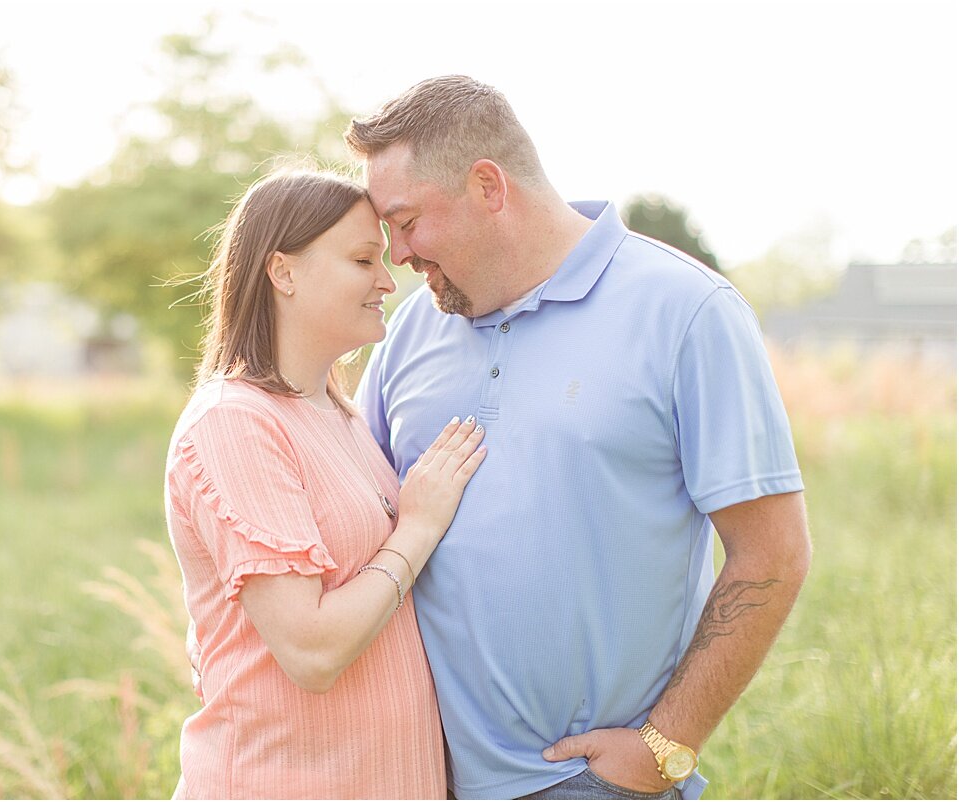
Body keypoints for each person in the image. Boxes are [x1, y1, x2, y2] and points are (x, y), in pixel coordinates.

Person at [345, 76, 812, 801]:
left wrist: (667, 744)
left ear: (489, 187)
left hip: (590, 784)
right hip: (412, 777)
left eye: (405, 222)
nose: (397, 255)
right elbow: (352, 513)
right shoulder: (409, 330)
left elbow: (773, 552)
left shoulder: (687, 311)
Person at [163, 168, 488, 799]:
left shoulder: (338, 413)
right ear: (283, 272)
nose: (389, 281)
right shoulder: (235, 422)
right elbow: (312, 654)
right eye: (363, 259)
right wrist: (417, 528)